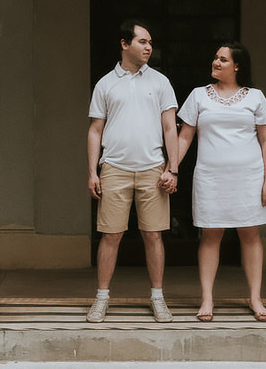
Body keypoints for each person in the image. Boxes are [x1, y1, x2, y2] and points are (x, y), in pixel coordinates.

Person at [174, 41, 266, 322]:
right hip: (210, 178)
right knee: (210, 235)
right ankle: (207, 299)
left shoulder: (255, 97)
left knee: (251, 234)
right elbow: (185, 137)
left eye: (222, 59)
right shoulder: (198, 96)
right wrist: (172, 168)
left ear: (237, 66)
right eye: (215, 58)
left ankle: (255, 297)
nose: (216, 63)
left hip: (250, 177)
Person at [86, 19, 180, 323]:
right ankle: (101, 299)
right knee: (110, 236)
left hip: (153, 169)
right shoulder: (105, 84)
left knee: (153, 235)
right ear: (125, 44)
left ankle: (158, 298)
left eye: (151, 42)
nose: (149, 47)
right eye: (142, 41)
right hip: (114, 168)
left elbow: (170, 127)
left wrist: (173, 168)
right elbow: (95, 130)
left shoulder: (160, 82)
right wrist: (93, 172)